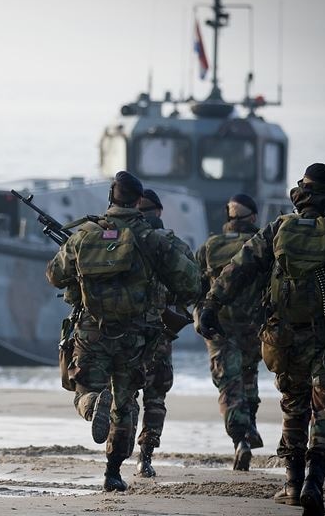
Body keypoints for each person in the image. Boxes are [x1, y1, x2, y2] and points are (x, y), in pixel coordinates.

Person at [199, 164, 325, 515]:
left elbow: (240, 269)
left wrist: (212, 305)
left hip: (284, 336)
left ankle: (291, 483)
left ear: (300, 193)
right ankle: (313, 483)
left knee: (294, 406)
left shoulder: (278, 229)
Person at [46, 172, 200, 492]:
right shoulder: (154, 239)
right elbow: (189, 282)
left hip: (92, 331)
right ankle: (113, 472)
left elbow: (54, 276)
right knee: (126, 403)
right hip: (136, 335)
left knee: (83, 388)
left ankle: (91, 402)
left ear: (111, 197)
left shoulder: (86, 234)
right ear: (137, 201)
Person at [195, 193, 267, 471]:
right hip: (254, 326)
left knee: (228, 384)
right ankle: (250, 425)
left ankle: (240, 439)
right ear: (253, 217)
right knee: (249, 377)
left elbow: (194, 285)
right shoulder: (262, 245)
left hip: (219, 327)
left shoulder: (211, 246)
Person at [132, 188, 193, 478]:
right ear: (158, 212)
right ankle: (146, 456)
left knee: (126, 393)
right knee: (155, 397)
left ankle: (116, 456)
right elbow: (193, 286)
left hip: (127, 333)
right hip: (160, 334)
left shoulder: (122, 242)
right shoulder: (175, 246)